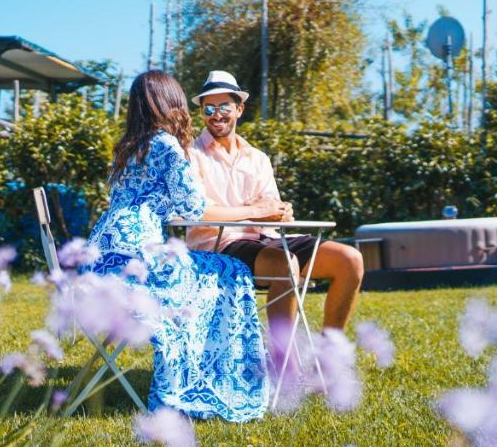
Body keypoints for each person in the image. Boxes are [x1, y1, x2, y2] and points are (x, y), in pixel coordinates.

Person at [83, 70, 270, 422]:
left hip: (102, 260)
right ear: (170, 103)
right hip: (138, 260)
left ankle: (204, 374)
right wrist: (257, 211)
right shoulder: (167, 145)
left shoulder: (128, 147)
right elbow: (193, 208)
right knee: (232, 270)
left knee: (212, 269)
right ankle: (212, 381)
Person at [185, 71, 364, 330]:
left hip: (268, 239)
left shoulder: (257, 158)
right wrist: (256, 211)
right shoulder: (190, 154)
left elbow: (269, 205)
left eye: (224, 106)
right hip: (218, 246)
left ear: (240, 109)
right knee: (285, 263)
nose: (216, 114)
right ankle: (283, 362)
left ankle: (329, 357)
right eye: (208, 108)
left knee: (350, 259)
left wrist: (280, 212)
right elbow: (199, 212)